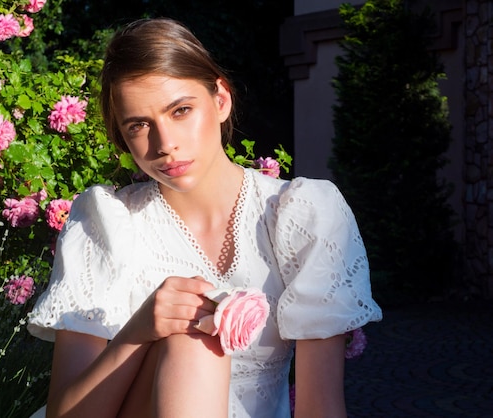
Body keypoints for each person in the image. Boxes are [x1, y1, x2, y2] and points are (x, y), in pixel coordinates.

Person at [27, 17, 382, 418]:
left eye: (180, 110)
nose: (165, 144)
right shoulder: (107, 222)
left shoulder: (302, 214)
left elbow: (321, 408)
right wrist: (139, 332)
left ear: (221, 100)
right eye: (139, 125)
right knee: (192, 340)